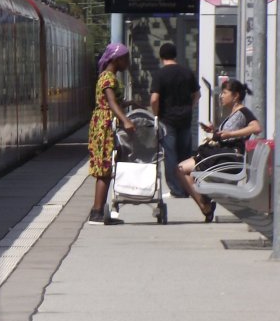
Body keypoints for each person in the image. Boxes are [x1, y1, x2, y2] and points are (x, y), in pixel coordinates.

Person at [176, 78, 261, 222]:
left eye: (224, 92)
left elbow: (257, 127)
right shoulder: (233, 114)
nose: (221, 96)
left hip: (227, 159)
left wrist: (229, 134)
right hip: (220, 156)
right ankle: (205, 206)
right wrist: (214, 131)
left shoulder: (243, 112)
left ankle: (206, 207)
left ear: (235, 96)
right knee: (182, 171)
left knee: (181, 170)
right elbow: (227, 136)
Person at [88, 42, 137, 224]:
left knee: (106, 168)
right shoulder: (108, 77)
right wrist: (126, 120)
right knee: (104, 169)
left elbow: (113, 101)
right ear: (117, 59)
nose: (128, 63)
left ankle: (98, 210)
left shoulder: (107, 76)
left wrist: (130, 104)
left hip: (104, 122)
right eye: (126, 59)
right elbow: (110, 101)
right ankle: (97, 212)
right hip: (105, 125)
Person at [149, 42, 199, 197]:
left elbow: (154, 99)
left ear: (161, 56)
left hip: (167, 120)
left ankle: (176, 189)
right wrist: (189, 106)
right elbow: (197, 94)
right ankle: (187, 187)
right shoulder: (187, 72)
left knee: (170, 154)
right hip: (185, 118)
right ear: (175, 55)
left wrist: (156, 114)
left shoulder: (160, 74)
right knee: (185, 153)